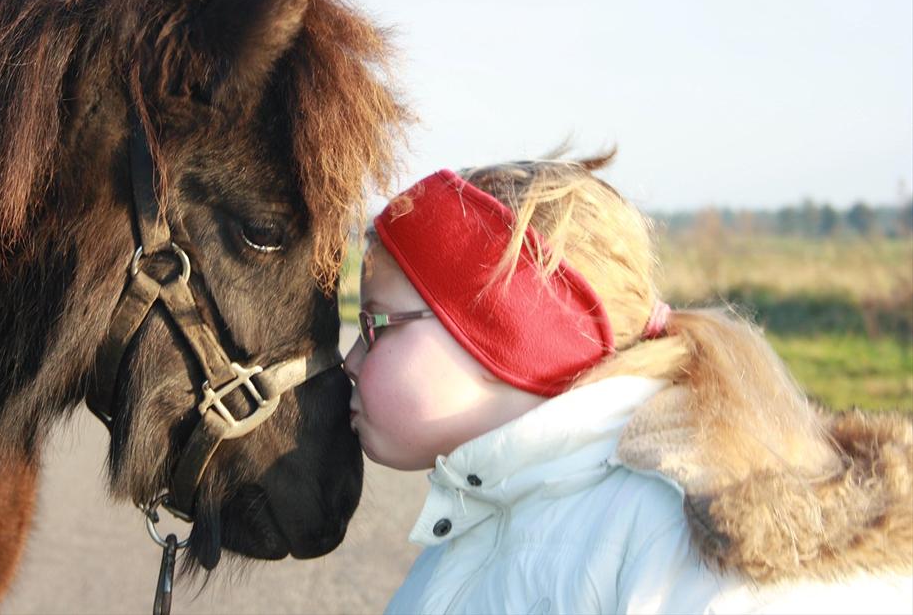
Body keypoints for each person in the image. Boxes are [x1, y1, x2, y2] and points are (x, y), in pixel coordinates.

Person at [343, 156, 912, 614]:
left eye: (374, 324)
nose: (350, 357)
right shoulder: (490, 510)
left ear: (503, 338)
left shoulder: (685, 536)